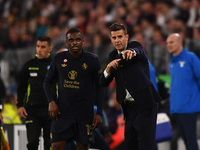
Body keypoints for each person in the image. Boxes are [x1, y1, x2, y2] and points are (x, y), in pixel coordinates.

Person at [101, 22, 162, 150]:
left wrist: (132, 52)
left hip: (145, 106)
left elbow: (138, 51)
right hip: (128, 109)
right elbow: (103, 82)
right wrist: (108, 68)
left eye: (120, 36)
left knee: (146, 146)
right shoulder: (112, 56)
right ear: (111, 39)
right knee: (131, 145)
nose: (117, 40)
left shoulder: (135, 46)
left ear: (126, 37)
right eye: (114, 38)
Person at [43, 28, 104, 150]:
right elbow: (47, 82)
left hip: (84, 114)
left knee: (82, 148)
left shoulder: (92, 60)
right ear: (66, 41)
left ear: (83, 41)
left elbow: (99, 87)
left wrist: (99, 113)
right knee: (55, 147)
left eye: (78, 40)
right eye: (71, 40)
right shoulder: (58, 58)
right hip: (62, 113)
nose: (74, 42)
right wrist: (51, 101)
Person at [17, 36, 54, 150]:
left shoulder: (55, 65)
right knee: (32, 143)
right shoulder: (29, 65)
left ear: (50, 49)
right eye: (38, 46)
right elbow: (21, 87)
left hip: (51, 112)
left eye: (43, 47)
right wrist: (20, 106)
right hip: (32, 111)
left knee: (50, 145)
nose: (39, 49)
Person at [166, 33, 200, 150]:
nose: (168, 45)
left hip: (189, 107)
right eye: (167, 43)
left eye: (171, 42)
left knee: (191, 140)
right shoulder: (172, 62)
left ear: (180, 42)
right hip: (176, 108)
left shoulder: (190, 57)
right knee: (185, 140)